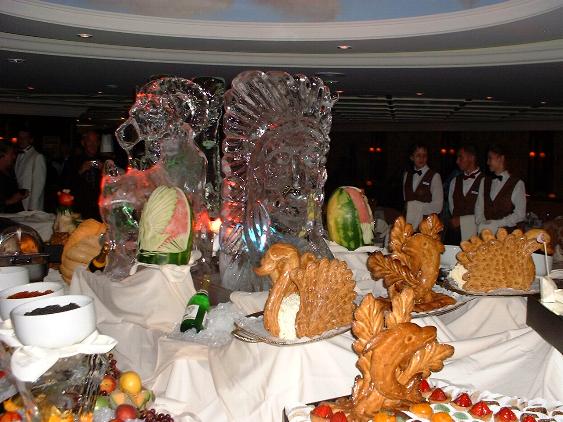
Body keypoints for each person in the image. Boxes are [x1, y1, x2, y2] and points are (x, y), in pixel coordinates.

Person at [475, 144, 526, 234]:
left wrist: (498, 223)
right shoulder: (484, 181)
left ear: (501, 158)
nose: (487, 162)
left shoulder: (517, 183)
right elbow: (479, 207)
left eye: (490, 158)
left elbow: (520, 214)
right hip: (486, 234)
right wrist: (483, 224)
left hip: (507, 236)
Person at [445, 145, 483, 244]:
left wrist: (462, 221)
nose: (457, 161)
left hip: (476, 235)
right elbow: (452, 207)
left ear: (472, 158)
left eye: (460, 157)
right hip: (455, 234)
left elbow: (486, 213)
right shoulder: (454, 180)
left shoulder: (486, 181)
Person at [62, 130, 103, 220]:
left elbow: (115, 185)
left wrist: (105, 171)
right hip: (79, 210)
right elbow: (65, 185)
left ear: (99, 143)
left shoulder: (105, 161)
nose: (93, 145)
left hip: (99, 210)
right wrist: (81, 171)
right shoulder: (73, 161)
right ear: (83, 143)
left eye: (95, 141)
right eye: (89, 141)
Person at [402, 143, 443, 229]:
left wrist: (414, 206)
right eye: (418, 155)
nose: (422, 158)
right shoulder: (406, 175)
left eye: (424, 155)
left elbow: (438, 207)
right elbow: (406, 200)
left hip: (427, 226)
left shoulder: (435, 176)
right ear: (412, 157)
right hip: (409, 224)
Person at [14, 129, 47, 211]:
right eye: (20, 137)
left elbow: (38, 185)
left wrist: (32, 208)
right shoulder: (18, 155)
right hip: (18, 203)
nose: (21, 140)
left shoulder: (37, 157)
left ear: (31, 140)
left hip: (29, 205)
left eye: (24, 138)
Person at [0, 141, 28, 213]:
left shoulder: (10, 171)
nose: (14, 157)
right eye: (12, 154)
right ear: (2, 154)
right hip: (4, 216)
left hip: (16, 214)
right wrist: (10, 201)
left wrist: (20, 193)